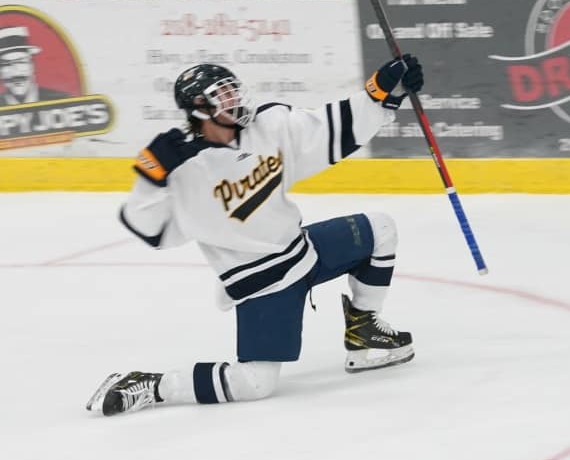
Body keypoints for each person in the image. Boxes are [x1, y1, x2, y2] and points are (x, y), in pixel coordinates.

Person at [87, 54, 424, 416]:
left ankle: (363, 329)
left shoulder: (269, 126)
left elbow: (329, 128)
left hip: (304, 252)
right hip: (263, 285)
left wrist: (381, 93)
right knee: (255, 383)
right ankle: (153, 385)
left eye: (234, 90)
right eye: (224, 95)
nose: (236, 99)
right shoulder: (186, 171)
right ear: (200, 107)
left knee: (381, 228)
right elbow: (147, 226)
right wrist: (151, 178)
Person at [0, 26, 68, 106]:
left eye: (21, 62)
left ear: (32, 65)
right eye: (6, 64)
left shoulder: (62, 101)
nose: (15, 73)